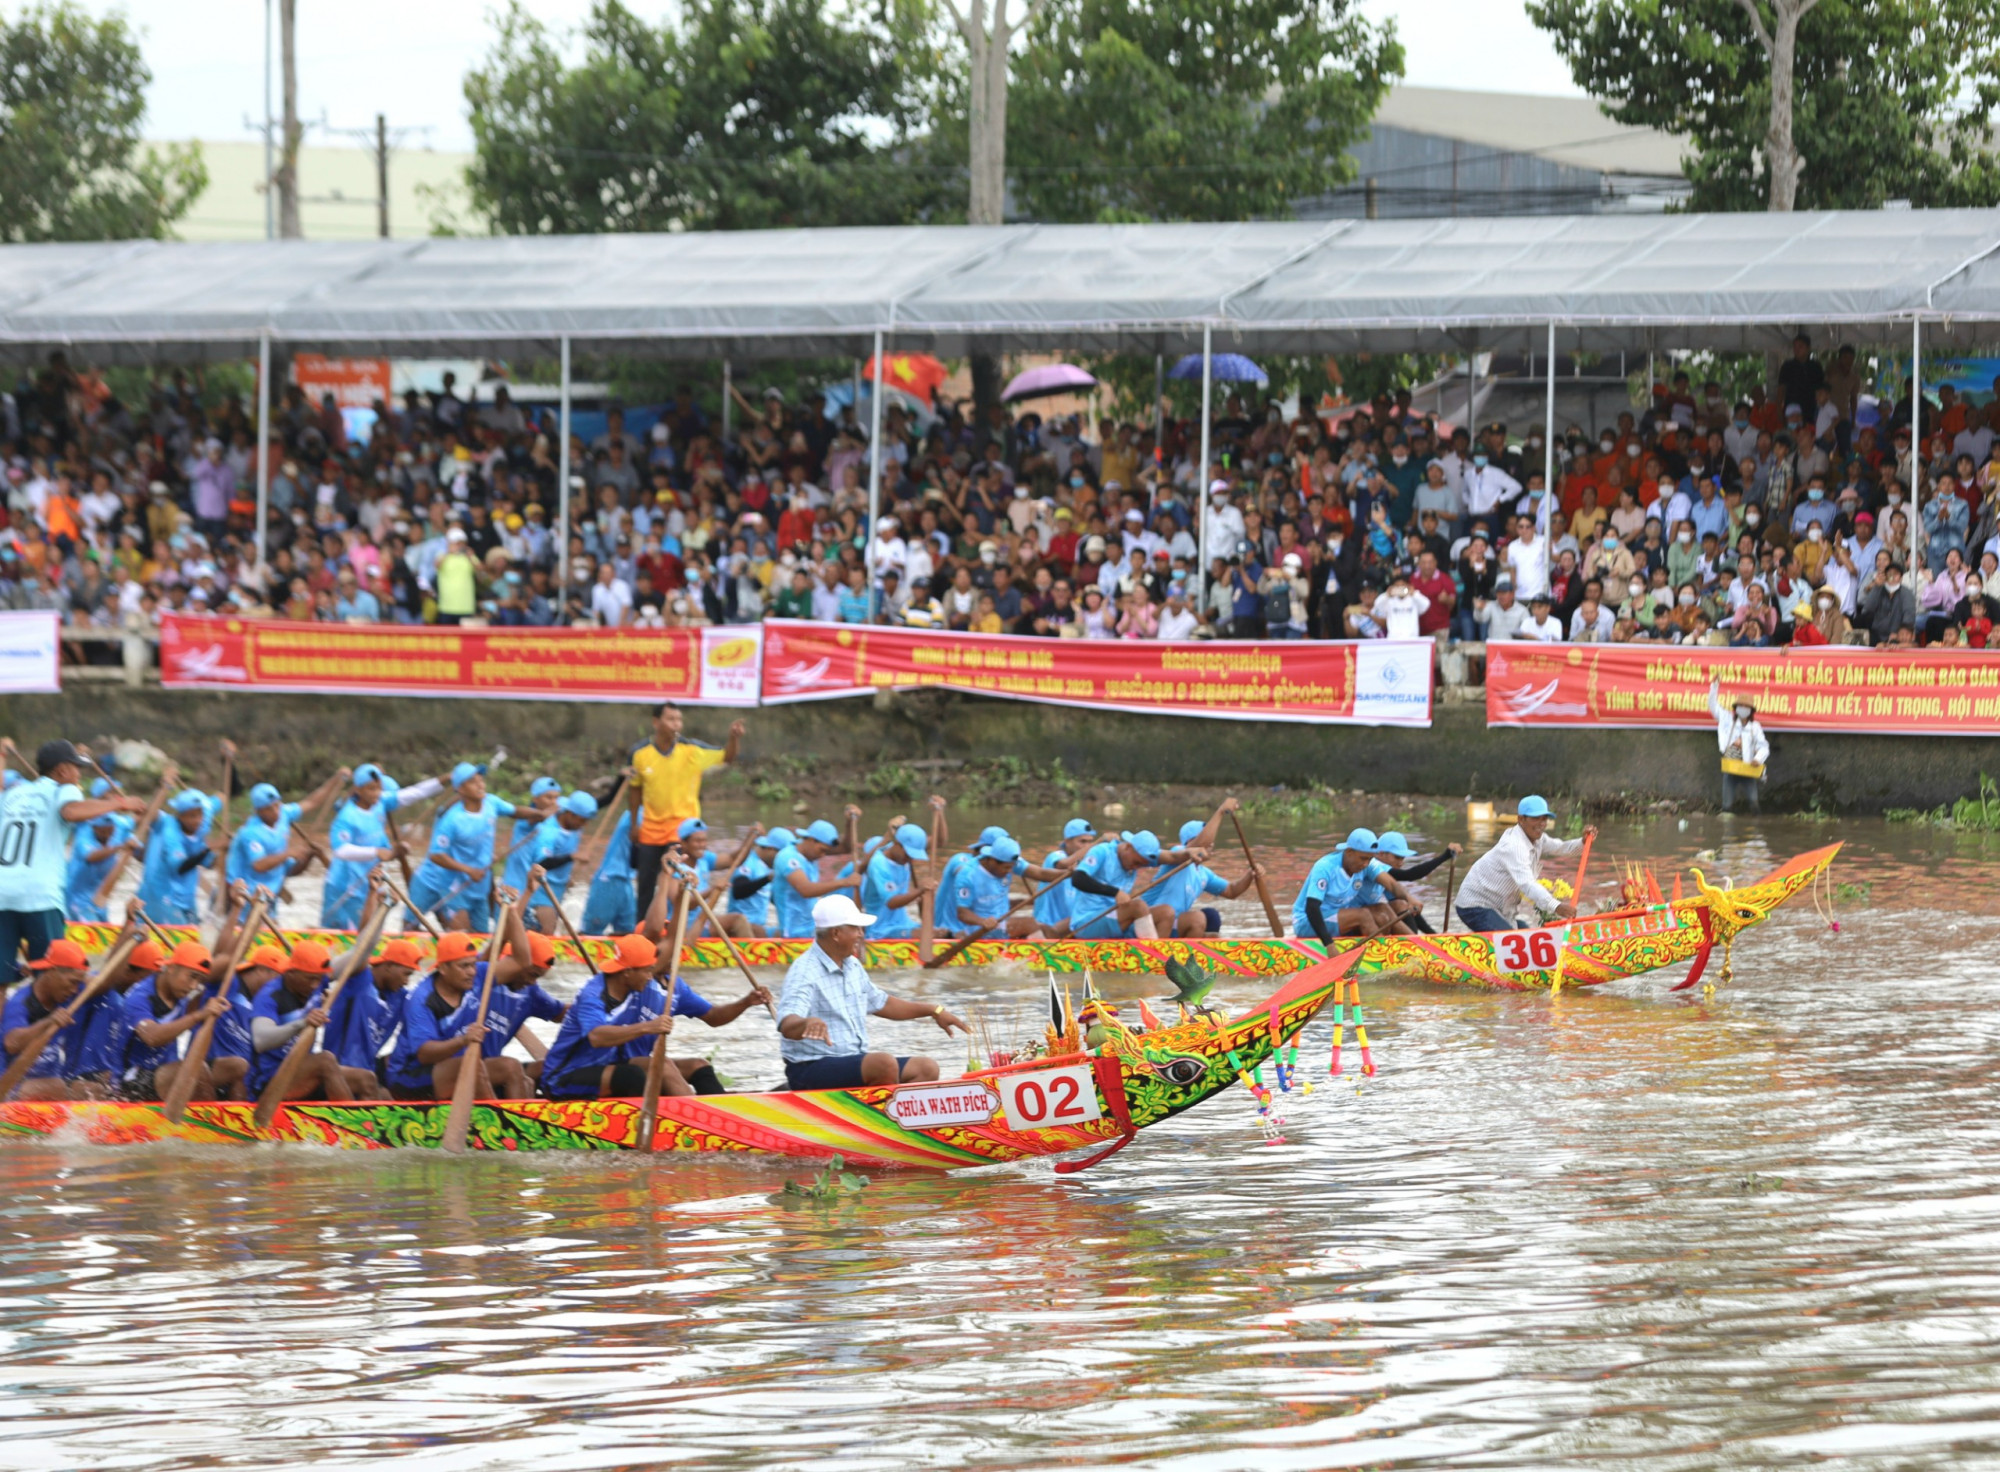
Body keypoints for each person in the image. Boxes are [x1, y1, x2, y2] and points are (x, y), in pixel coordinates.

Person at [776, 894, 967, 1090]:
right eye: (856, 929)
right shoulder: (805, 971)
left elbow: (883, 1003)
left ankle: (891, 1114)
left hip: (849, 1061)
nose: (861, 934)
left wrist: (934, 1010)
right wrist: (806, 1023)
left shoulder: (852, 965)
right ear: (835, 934)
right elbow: (787, 1024)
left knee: (926, 1068)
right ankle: (879, 1117)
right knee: (883, 1064)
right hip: (809, 1068)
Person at [0, 741, 143, 989]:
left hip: (2, 895)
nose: (79, 776)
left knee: (1, 984)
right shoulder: (65, 788)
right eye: (76, 768)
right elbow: (71, 812)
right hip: (40, 897)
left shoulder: (13, 794)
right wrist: (120, 803)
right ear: (63, 770)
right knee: (49, 981)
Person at [629, 701, 746, 916]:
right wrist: (634, 824)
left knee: (678, 883)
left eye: (679, 720)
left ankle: (675, 930)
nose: (676, 725)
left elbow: (727, 757)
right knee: (645, 886)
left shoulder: (692, 750)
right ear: (656, 722)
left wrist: (733, 738)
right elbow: (634, 791)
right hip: (650, 831)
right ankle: (642, 933)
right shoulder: (640, 754)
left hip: (681, 833)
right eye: (671, 719)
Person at [247, 941, 373, 1103]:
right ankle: (347, 1124)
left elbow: (361, 951)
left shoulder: (318, 981)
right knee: (325, 1060)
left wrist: (378, 916)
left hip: (302, 1071)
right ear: (291, 972)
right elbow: (260, 1041)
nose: (315, 985)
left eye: (319, 979)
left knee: (366, 1079)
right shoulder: (270, 996)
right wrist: (302, 1023)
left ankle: (369, 1126)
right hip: (270, 1080)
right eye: (310, 979)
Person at [324, 764, 438, 929]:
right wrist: (378, 852)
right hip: (344, 888)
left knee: (371, 927)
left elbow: (416, 793)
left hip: (368, 887)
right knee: (351, 935)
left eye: (379, 789)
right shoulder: (347, 816)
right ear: (359, 790)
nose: (377, 794)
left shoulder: (379, 806)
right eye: (372, 789)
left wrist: (444, 780)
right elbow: (340, 849)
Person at [115, 940, 230, 1103]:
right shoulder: (139, 997)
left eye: (199, 980)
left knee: (235, 1066)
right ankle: (211, 1123)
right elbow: (152, 1037)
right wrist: (198, 1016)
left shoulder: (179, 992)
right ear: (171, 968)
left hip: (163, 1071)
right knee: (198, 1071)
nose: (193, 986)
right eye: (192, 977)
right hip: (129, 1081)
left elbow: (226, 959)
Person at [1453, 797, 1592, 932]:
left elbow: (1562, 847)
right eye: (1535, 818)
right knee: (1510, 939)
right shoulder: (1514, 846)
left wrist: (1583, 842)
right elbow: (1527, 885)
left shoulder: (1538, 838)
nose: (1541, 823)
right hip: (1474, 905)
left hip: (1499, 908)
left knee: (1526, 933)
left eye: (1544, 818)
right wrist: (1557, 906)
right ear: (1521, 819)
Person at [407, 762, 516, 931]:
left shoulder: (487, 806)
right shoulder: (449, 817)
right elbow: (436, 855)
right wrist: (469, 870)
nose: (480, 785)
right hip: (433, 878)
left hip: (468, 883)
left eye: (481, 780)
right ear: (461, 789)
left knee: (474, 932)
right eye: (473, 781)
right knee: (410, 925)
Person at [0, 938, 98, 1099]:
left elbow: (108, 981)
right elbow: (12, 1043)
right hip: (9, 1087)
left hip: (47, 1082)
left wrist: (130, 934)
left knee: (93, 1090)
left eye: (78, 984)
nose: (75, 990)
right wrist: (49, 1022)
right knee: (56, 1086)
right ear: (52, 971)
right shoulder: (20, 1002)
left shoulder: (67, 992)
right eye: (72, 982)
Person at [325, 936, 422, 1089]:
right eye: (406, 974)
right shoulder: (359, 980)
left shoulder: (400, 997)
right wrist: (375, 912)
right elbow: (363, 945)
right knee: (369, 1082)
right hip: (338, 1068)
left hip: (367, 1068)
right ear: (389, 966)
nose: (407, 982)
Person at [1144, 818, 1262, 937]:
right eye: (1207, 839)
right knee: (1197, 919)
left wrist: (1250, 875)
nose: (1212, 844)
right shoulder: (1178, 855)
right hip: (1150, 921)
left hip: (1172, 923)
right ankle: (1164, 953)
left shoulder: (1204, 873)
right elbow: (1183, 853)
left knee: (1212, 916)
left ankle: (1200, 953)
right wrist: (1221, 812)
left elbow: (1232, 891)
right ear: (1191, 841)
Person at [1292, 828, 1397, 944]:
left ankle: (1410, 946)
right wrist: (1329, 944)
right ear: (1349, 852)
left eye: (1370, 859)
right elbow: (1311, 908)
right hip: (1306, 921)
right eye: (1363, 858)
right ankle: (1383, 953)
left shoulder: (1364, 866)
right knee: (1363, 915)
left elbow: (1392, 883)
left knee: (1381, 913)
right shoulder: (1325, 867)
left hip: (1334, 918)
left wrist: (1409, 899)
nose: (1366, 864)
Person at [1065, 830, 1174, 939]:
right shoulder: (1102, 851)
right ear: (1128, 847)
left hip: (1116, 919)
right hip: (1087, 923)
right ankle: (1152, 952)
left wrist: (1189, 853)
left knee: (1166, 912)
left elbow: (1173, 856)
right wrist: (1115, 892)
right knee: (1138, 906)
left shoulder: (1134, 859)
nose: (1136, 867)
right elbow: (1077, 878)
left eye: (1141, 865)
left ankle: (1158, 951)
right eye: (1136, 862)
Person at [137, 787, 221, 925]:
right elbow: (181, 867)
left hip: (186, 899)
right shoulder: (169, 829)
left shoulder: (200, 827)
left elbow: (209, 863)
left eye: (200, 815)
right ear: (181, 816)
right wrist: (165, 786)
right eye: (192, 816)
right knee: (178, 942)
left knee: (193, 941)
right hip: (162, 897)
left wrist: (225, 851)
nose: (198, 820)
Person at [771, 817, 862, 938]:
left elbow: (846, 848)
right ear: (811, 840)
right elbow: (806, 890)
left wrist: (849, 822)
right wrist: (845, 882)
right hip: (792, 932)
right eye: (822, 850)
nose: (823, 855)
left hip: (812, 928)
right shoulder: (788, 857)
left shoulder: (812, 854)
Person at [526, 790, 599, 933]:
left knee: (544, 931)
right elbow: (541, 863)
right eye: (582, 820)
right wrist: (572, 857)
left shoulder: (572, 825)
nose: (583, 825)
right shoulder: (548, 832)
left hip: (559, 888)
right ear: (570, 814)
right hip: (541, 888)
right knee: (547, 930)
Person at [64, 797, 134, 923]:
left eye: (110, 830)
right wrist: (120, 847)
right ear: (94, 828)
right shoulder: (84, 835)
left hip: (99, 898)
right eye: (103, 832)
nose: (107, 835)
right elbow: (91, 857)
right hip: (77, 899)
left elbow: (140, 820)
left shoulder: (120, 825)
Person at [860, 822, 932, 940]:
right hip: (880, 929)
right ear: (897, 844)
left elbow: (939, 841)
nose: (910, 859)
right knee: (927, 934)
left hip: (902, 923)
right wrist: (920, 890)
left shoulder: (903, 860)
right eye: (908, 854)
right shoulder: (879, 864)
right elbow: (891, 903)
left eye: (912, 856)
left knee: (942, 932)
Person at [1709, 675, 1770, 814]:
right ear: (1735, 707)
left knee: (1754, 804)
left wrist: (1757, 759)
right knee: (1727, 806)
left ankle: (1755, 831)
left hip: (1748, 769)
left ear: (1751, 711)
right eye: (1740, 706)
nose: (1743, 708)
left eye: (1746, 706)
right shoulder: (1726, 719)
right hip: (1730, 769)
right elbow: (1713, 705)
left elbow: (1764, 747)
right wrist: (1714, 686)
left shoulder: (1755, 727)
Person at [581, 808, 638, 936]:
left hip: (627, 879)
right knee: (591, 933)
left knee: (628, 932)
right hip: (610, 877)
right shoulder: (637, 813)